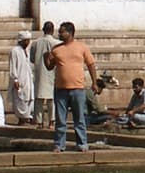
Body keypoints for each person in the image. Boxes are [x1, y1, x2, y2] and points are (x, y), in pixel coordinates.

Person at [43, 21, 98, 152]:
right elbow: (50, 67)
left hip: (77, 88)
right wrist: (46, 58)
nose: (59, 34)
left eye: (62, 32)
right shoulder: (56, 49)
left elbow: (91, 64)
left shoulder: (82, 47)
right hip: (60, 89)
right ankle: (59, 145)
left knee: (79, 118)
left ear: (70, 33)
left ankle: (82, 143)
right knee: (60, 119)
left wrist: (94, 82)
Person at [29, 21, 58, 127]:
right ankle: (52, 121)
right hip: (52, 73)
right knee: (52, 99)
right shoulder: (56, 43)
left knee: (39, 99)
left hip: (39, 73)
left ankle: (39, 122)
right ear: (53, 30)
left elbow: (32, 59)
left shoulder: (35, 43)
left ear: (43, 30)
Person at [8, 30, 37, 124]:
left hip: (28, 79)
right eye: (25, 40)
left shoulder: (27, 51)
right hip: (19, 78)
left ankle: (28, 117)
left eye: (28, 40)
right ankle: (21, 118)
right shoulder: (15, 51)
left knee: (29, 98)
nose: (27, 42)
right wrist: (15, 79)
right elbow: (13, 66)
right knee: (20, 99)